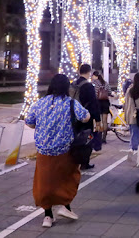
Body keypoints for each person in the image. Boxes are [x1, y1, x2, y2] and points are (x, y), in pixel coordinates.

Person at [26, 74, 90, 228]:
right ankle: (65, 206)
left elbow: (29, 121)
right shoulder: (71, 103)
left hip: (43, 151)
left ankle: (48, 216)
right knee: (68, 178)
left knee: (44, 183)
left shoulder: (40, 103)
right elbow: (86, 117)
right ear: (66, 87)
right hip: (64, 150)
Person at [73, 64, 101, 168]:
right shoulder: (88, 86)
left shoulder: (73, 84)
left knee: (75, 138)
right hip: (86, 117)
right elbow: (93, 103)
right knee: (87, 139)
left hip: (74, 116)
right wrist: (97, 120)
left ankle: (74, 160)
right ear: (89, 72)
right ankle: (84, 162)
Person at [92, 70, 112, 144]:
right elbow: (109, 92)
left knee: (98, 121)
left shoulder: (94, 83)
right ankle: (104, 138)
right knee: (105, 121)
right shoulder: (105, 83)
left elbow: (94, 94)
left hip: (98, 103)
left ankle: (98, 137)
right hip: (105, 103)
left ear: (95, 76)